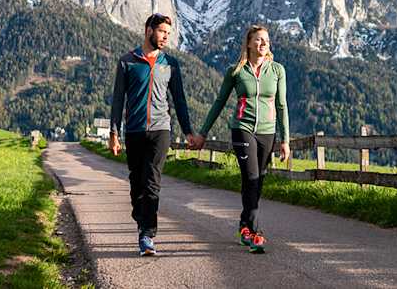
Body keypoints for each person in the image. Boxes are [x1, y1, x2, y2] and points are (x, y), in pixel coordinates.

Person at [109, 13, 203, 257]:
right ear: (148, 30)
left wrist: (188, 131)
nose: (165, 37)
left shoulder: (170, 63)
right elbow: (118, 100)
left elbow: (179, 100)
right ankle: (141, 217)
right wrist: (113, 133)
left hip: (161, 130)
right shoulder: (127, 62)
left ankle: (147, 234)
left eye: (168, 34)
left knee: (152, 182)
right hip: (134, 130)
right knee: (136, 183)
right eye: (161, 31)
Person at [196, 24, 289, 253]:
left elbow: (282, 105)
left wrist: (285, 139)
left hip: (268, 132)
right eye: (258, 40)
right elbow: (219, 102)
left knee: (258, 181)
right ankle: (256, 233)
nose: (263, 43)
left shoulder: (277, 70)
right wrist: (203, 132)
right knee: (251, 176)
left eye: (266, 40)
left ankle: (244, 226)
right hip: (242, 128)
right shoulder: (236, 71)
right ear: (248, 43)